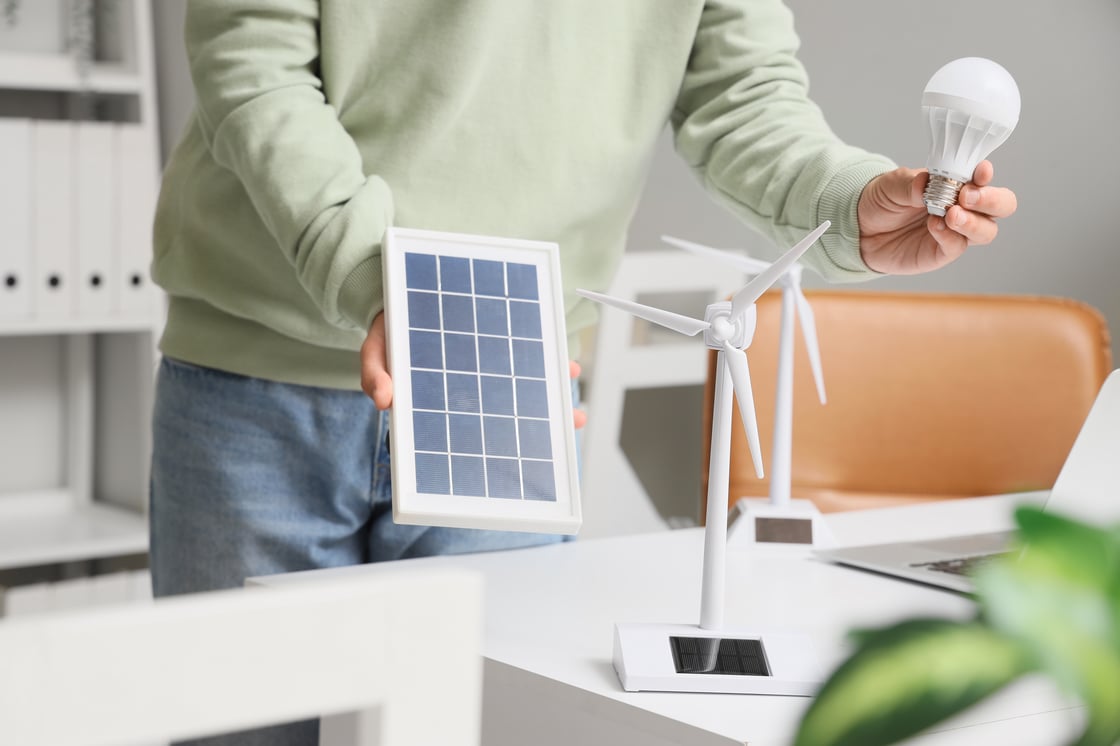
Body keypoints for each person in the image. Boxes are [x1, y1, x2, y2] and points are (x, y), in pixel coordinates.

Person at [149, 1, 1016, 743]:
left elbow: (744, 98)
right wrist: (384, 277)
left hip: (511, 374)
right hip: (255, 375)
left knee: (485, 721)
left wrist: (848, 204)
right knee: (242, 727)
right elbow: (253, 62)